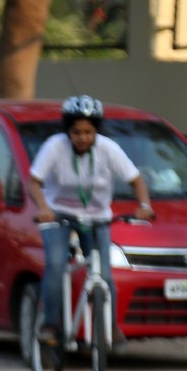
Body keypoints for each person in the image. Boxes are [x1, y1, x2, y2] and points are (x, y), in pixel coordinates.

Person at [29, 95, 154, 345]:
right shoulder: (55, 147)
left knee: (105, 274)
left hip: (97, 218)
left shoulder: (108, 149)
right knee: (55, 264)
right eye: (76, 132)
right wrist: (44, 208)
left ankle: (110, 326)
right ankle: (51, 325)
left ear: (96, 130)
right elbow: (34, 182)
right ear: (68, 131)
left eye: (88, 131)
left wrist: (144, 206)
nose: (82, 137)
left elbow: (136, 180)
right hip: (58, 214)